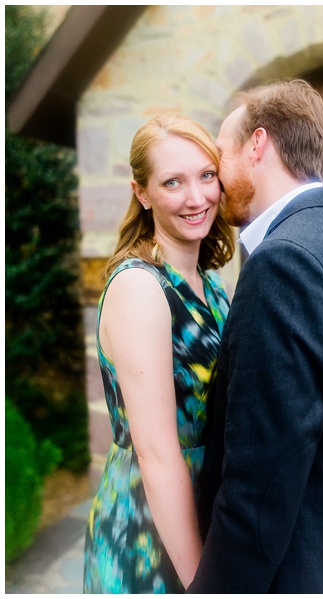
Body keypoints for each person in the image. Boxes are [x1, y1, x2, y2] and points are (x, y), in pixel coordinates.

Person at [188, 79, 323, 593]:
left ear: (256, 145)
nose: (215, 182)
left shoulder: (284, 262)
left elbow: (259, 486)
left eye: (221, 156)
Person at [83, 114, 236, 592]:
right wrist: (201, 583)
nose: (196, 198)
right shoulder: (139, 286)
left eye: (206, 175)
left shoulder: (211, 283)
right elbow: (155, 453)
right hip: (151, 530)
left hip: (204, 510)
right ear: (142, 193)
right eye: (173, 182)